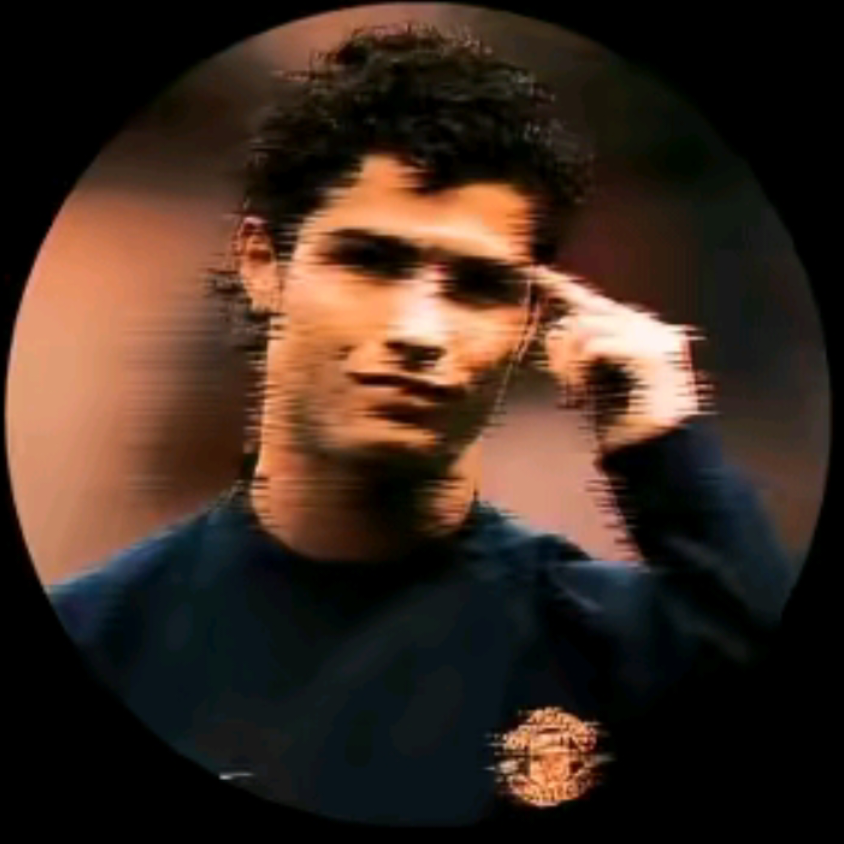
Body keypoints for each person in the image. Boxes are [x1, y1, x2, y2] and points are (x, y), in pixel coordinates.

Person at [46, 23, 796, 827]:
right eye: (370, 262)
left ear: (531, 320)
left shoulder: (604, 641)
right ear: (262, 264)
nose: (418, 329)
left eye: (477, 285)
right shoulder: (101, 637)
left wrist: (666, 449)